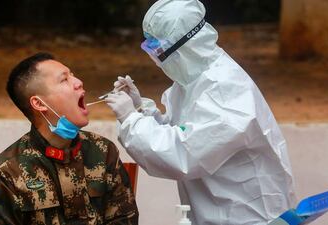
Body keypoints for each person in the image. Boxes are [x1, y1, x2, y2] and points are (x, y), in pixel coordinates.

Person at [105, 0, 296, 224]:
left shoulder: (225, 91)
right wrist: (141, 109)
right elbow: (179, 130)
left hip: (249, 217)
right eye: (150, 48)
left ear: (186, 46)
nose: (154, 58)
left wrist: (131, 120)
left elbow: (182, 154)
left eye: (158, 50)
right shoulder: (193, 82)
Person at [0, 53, 139, 225]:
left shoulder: (102, 151)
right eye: (64, 80)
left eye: (73, 75)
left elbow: (125, 220)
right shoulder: (6, 173)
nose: (78, 82)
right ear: (39, 104)